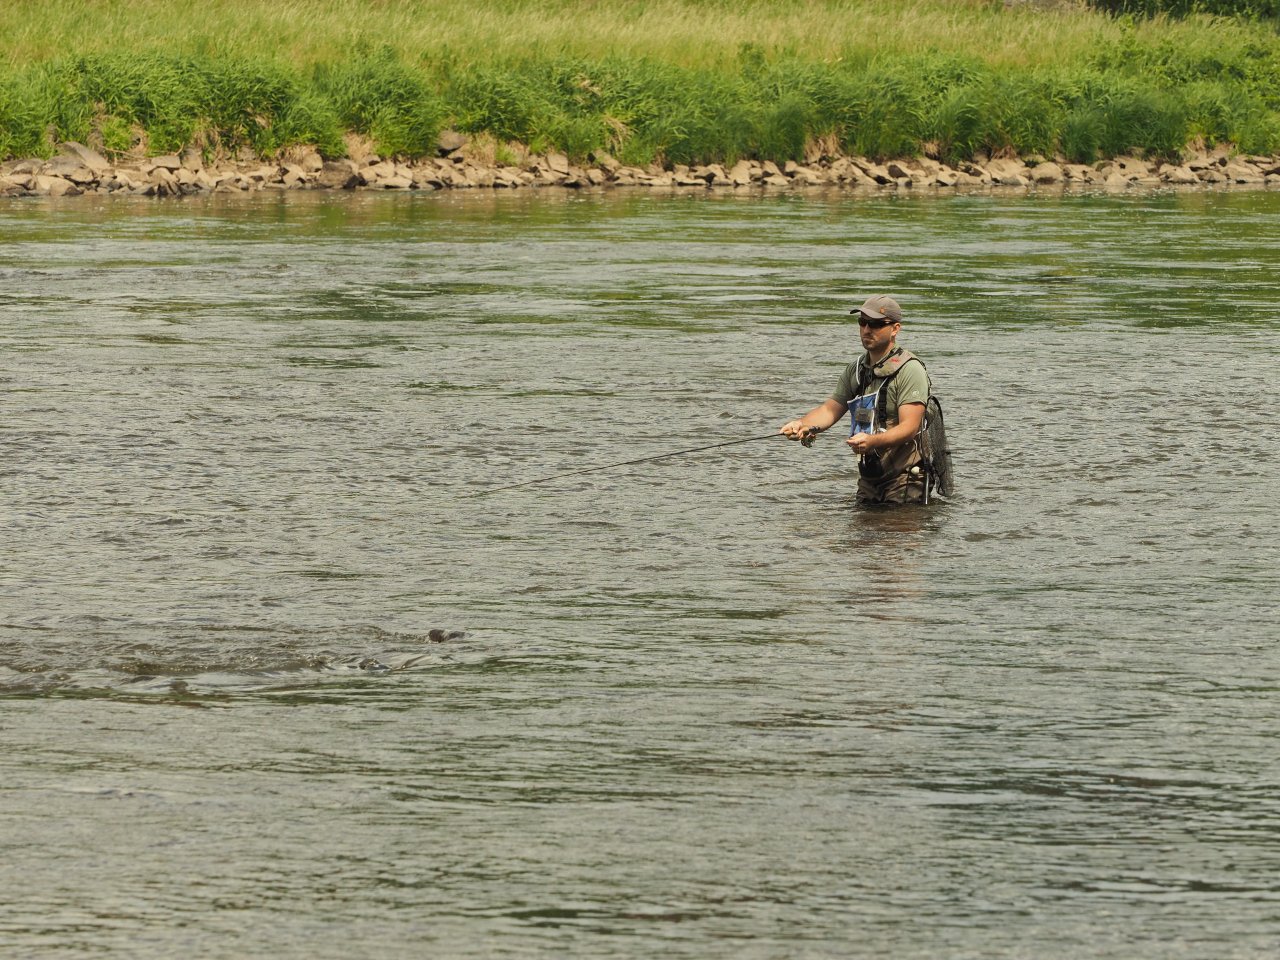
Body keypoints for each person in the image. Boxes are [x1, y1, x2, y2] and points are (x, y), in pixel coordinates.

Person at [779, 294, 932, 503]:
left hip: (907, 477)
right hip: (870, 476)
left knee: (896, 534)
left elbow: (910, 427)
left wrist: (872, 441)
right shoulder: (856, 369)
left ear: (895, 328)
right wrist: (802, 424)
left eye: (876, 324)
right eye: (862, 322)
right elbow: (830, 409)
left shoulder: (910, 370)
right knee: (860, 533)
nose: (867, 329)